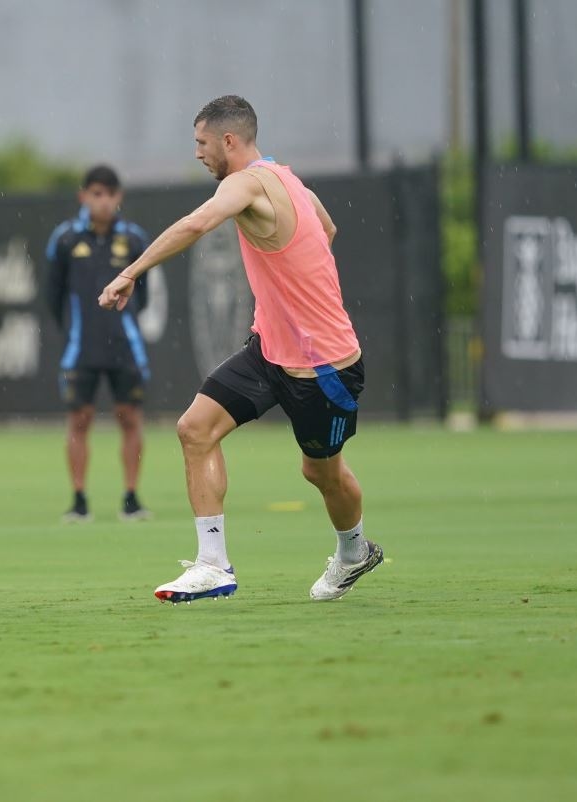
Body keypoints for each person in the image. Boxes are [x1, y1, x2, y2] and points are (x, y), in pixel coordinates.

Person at [98, 95, 383, 603]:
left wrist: (131, 272)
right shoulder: (289, 179)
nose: (197, 153)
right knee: (195, 429)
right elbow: (327, 229)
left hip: (324, 367)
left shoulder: (245, 182)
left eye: (202, 143)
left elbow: (195, 224)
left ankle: (355, 551)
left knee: (321, 472)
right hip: (268, 351)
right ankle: (213, 565)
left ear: (229, 141)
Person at [46, 165, 152, 523]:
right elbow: (53, 295)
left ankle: (131, 498)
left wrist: (121, 323)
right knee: (80, 420)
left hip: (125, 346)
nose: (103, 201)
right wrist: (77, 329)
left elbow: (144, 296)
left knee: (130, 419)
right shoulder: (65, 239)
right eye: (96, 194)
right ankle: (79, 500)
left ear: (119, 197)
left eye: (109, 194)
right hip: (82, 347)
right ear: (83, 196)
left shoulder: (134, 239)